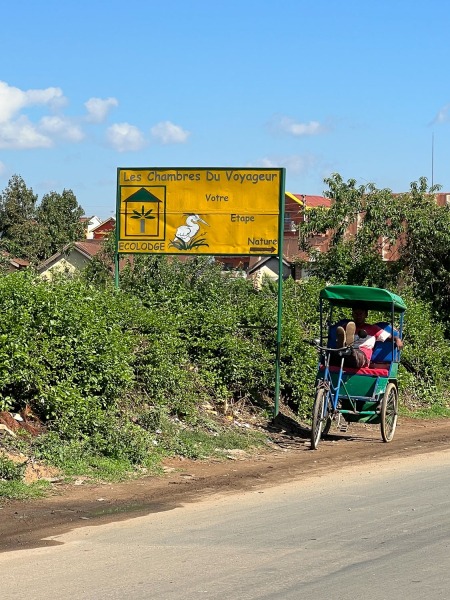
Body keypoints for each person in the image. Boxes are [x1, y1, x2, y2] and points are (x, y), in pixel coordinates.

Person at [332, 304, 404, 369]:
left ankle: (349, 349)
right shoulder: (347, 327)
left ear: (366, 315)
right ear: (352, 314)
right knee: (333, 354)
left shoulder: (373, 329)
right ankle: (343, 347)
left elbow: (390, 337)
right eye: (356, 314)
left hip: (362, 356)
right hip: (344, 356)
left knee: (353, 354)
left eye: (360, 314)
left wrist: (397, 339)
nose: (358, 316)